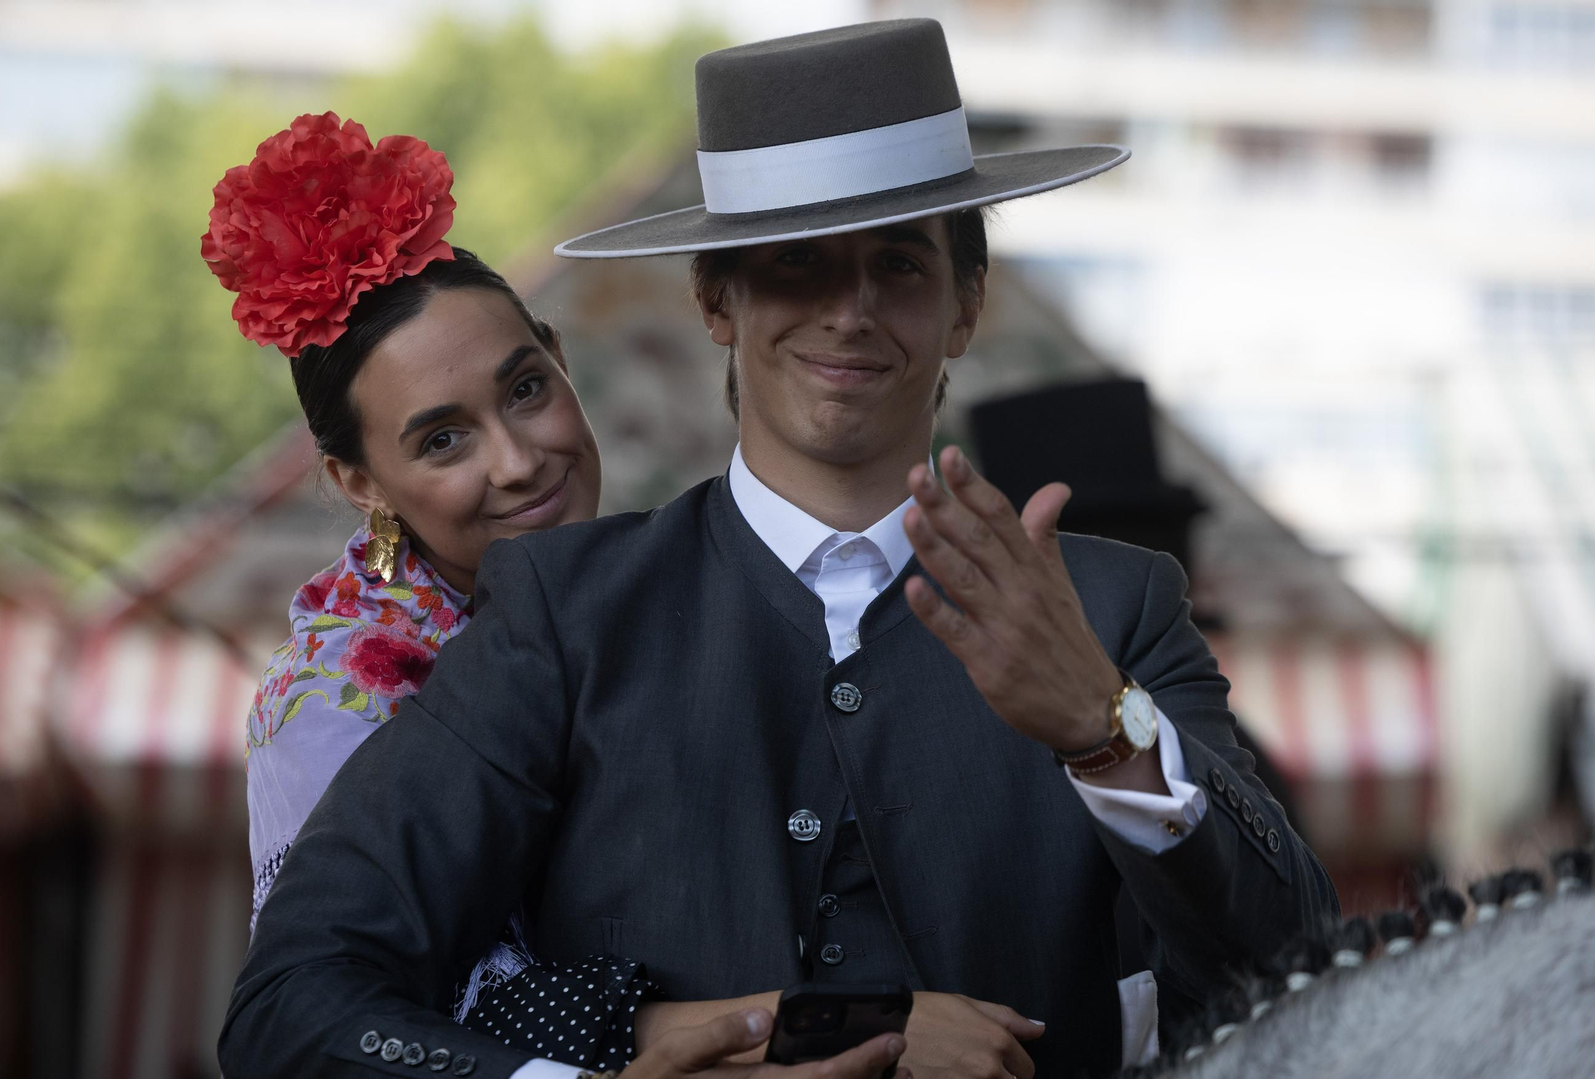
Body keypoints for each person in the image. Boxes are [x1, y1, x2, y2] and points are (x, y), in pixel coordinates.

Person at [223, 20, 1338, 1079]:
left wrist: (1109, 733)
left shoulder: (1113, 604)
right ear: (715, 295)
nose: (851, 309)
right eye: (800, 261)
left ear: (965, 306)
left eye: (899, 264)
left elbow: (1305, 958)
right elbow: (293, 1005)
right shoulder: (561, 612)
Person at [209, 112, 906, 1079]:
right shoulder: (338, 695)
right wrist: (718, 1022)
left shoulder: (663, 580)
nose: (520, 461)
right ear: (361, 482)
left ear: (562, 357)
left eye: (526, 390)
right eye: (442, 440)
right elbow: (350, 1005)